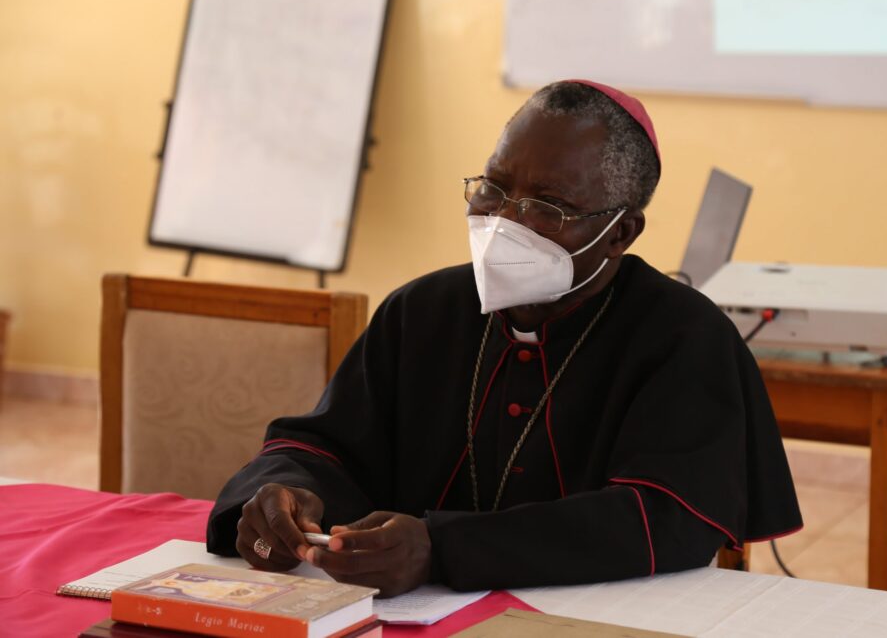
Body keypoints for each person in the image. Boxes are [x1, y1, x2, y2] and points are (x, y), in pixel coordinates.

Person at [207, 80, 802, 597]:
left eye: (549, 207)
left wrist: (442, 548)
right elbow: (321, 445)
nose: (505, 222)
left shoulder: (684, 337)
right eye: (492, 188)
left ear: (621, 233)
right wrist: (284, 493)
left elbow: (664, 520)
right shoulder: (421, 311)